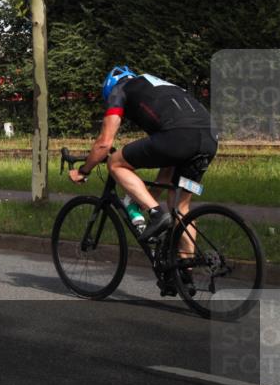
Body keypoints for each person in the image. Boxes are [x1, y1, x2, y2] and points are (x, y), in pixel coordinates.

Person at [68, 66, 218, 250]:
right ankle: (184, 270)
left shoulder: (119, 89)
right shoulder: (160, 87)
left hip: (180, 136)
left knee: (114, 162)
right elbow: (166, 168)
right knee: (180, 209)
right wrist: (143, 199)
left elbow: (104, 144)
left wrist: (84, 170)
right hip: (209, 138)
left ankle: (156, 214)